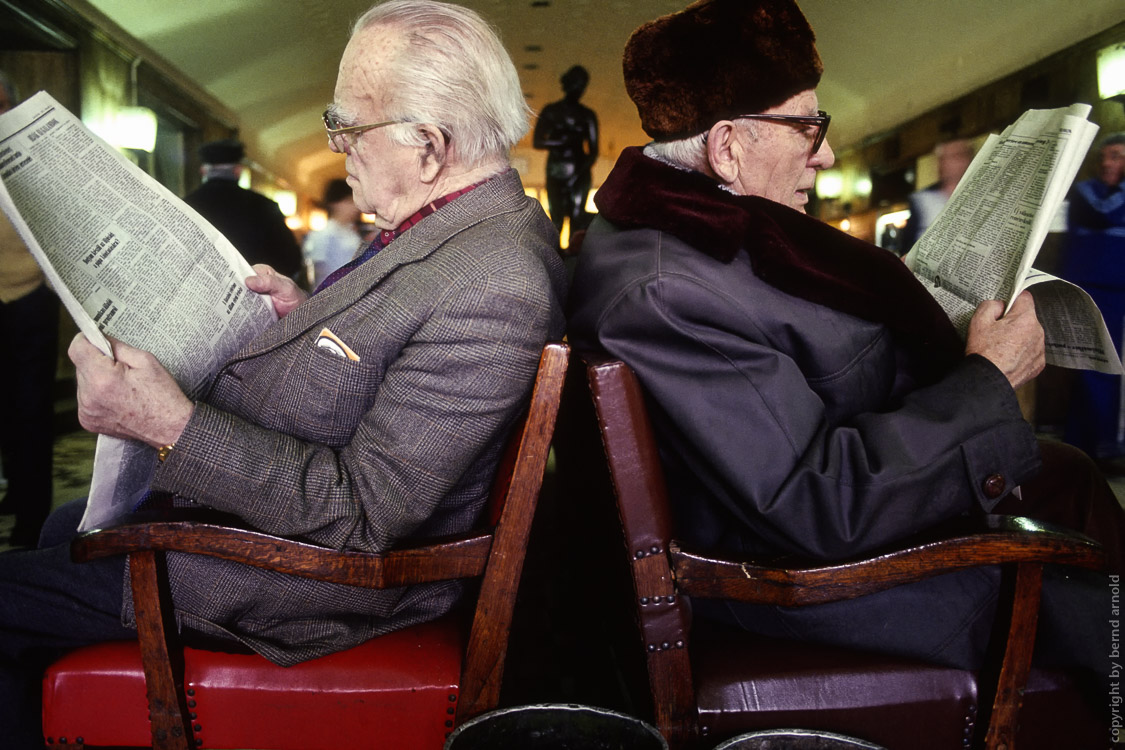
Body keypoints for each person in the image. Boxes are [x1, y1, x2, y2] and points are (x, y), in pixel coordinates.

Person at [0, 1, 566, 746]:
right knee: (57, 524)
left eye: (349, 128)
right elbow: (387, 351)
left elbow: (367, 514)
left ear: (428, 145)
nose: (340, 149)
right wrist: (302, 319)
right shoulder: (457, 228)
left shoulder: (495, 281)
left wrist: (166, 422)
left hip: (312, 586)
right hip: (275, 532)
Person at [567, 0, 1124, 709]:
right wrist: (989, 375)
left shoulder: (693, 234)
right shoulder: (663, 290)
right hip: (803, 588)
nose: (825, 152)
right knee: (1084, 583)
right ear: (727, 146)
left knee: (1067, 473)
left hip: (799, 526)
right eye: (806, 125)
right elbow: (815, 503)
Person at [0, 70, 58, 548]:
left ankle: (31, 517)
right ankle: (15, 492)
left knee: (31, 409)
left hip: (30, 299)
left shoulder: (34, 155)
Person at [1059, 132, 1125, 466]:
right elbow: (1104, 213)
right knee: (1091, 365)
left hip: (1116, 289)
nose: (1109, 163)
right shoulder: (1087, 192)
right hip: (1088, 287)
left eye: (1117, 156)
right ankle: (1090, 444)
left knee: (1108, 366)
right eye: (1107, 156)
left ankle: (1094, 443)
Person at [183, 138, 304, 279]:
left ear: (203, 171)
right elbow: (291, 260)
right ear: (238, 170)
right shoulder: (265, 206)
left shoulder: (186, 205)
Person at [533, 64, 599, 236]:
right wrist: (560, 142)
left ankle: (574, 259)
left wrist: (577, 174)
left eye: (582, 85)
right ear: (568, 83)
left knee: (577, 217)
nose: (579, 89)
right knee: (557, 219)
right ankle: (556, 259)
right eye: (577, 84)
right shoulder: (551, 111)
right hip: (556, 170)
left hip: (579, 171)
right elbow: (538, 141)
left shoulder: (587, 115)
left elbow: (593, 151)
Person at [898, 138, 975, 255]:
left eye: (963, 155)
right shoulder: (922, 200)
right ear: (941, 163)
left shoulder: (981, 196)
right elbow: (906, 247)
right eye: (953, 156)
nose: (960, 161)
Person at [302, 177, 363, 289]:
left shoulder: (352, 233)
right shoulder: (323, 235)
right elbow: (318, 274)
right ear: (335, 203)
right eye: (349, 201)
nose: (355, 207)